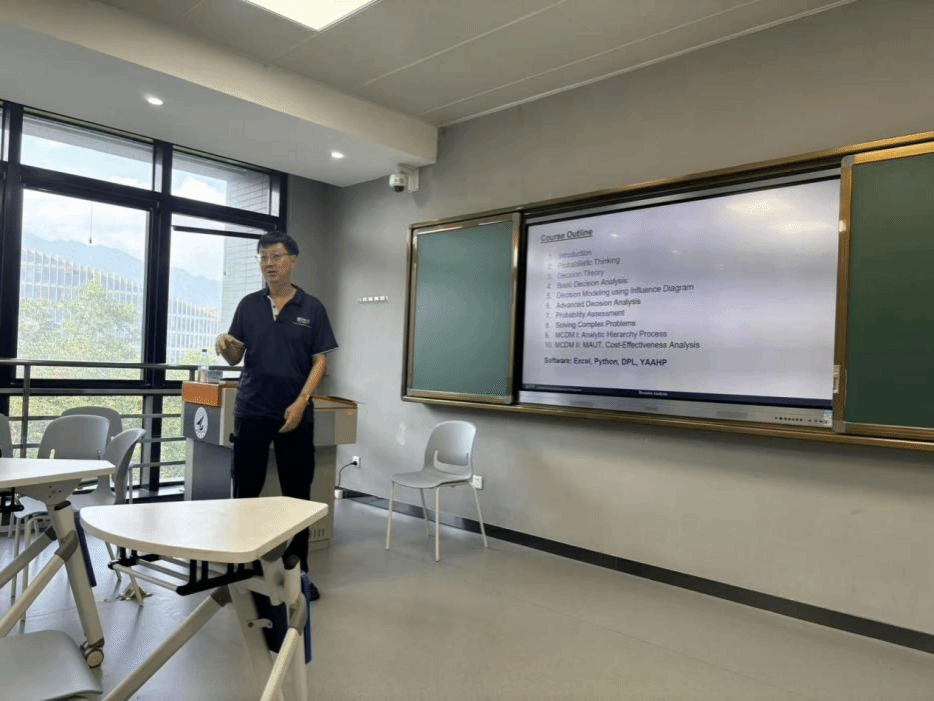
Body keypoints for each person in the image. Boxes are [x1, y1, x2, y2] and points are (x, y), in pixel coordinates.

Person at [215, 231, 337, 591]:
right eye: (263, 257)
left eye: (276, 256)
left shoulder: (311, 308)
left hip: (294, 412)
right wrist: (224, 344)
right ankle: (243, 566)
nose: (269, 263)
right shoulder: (248, 305)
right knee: (245, 490)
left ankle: (299, 573)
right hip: (252, 409)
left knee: (297, 494)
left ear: (292, 261)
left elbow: (320, 361)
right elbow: (236, 356)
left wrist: (302, 401)